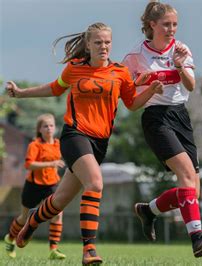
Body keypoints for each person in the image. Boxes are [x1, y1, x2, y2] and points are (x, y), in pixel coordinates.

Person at [6, 22, 163, 265]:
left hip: (99, 144)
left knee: (59, 201)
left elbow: (131, 104)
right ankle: (89, 248)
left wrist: (151, 90)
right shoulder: (75, 68)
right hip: (74, 137)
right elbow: (54, 89)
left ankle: (33, 221)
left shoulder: (120, 72)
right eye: (98, 42)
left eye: (107, 42)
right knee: (95, 183)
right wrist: (20, 92)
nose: (103, 46)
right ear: (88, 45)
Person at [121, 1, 202, 258]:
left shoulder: (181, 49)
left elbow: (191, 85)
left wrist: (178, 65)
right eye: (166, 24)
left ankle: (149, 210)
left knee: (192, 191)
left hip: (181, 116)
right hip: (156, 118)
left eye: (175, 24)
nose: (172, 29)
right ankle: (197, 238)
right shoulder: (135, 55)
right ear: (151, 25)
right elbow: (127, 93)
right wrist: (142, 83)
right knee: (186, 175)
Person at [3, 114, 66, 260]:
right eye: (45, 126)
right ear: (39, 130)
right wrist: (51, 164)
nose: (49, 128)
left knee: (57, 214)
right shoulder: (35, 145)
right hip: (33, 185)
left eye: (51, 125)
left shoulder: (57, 144)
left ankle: (53, 249)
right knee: (24, 218)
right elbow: (28, 164)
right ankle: (10, 238)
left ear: (55, 128)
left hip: (51, 184)